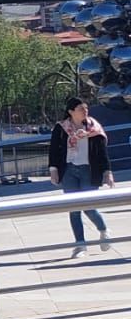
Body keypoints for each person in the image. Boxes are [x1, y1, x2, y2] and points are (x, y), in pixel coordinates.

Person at [48, 97, 113, 256]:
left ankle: (103, 230)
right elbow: (54, 150)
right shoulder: (61, 128)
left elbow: (102, 153)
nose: (85, 111)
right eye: (81, 109)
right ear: (71, 112)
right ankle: (80, 245)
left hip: (89, 170)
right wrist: (53, 169)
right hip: (69, 170)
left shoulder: (94, 128)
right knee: (73, 208)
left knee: (89, 206)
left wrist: (107, 172)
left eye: (86, 109)